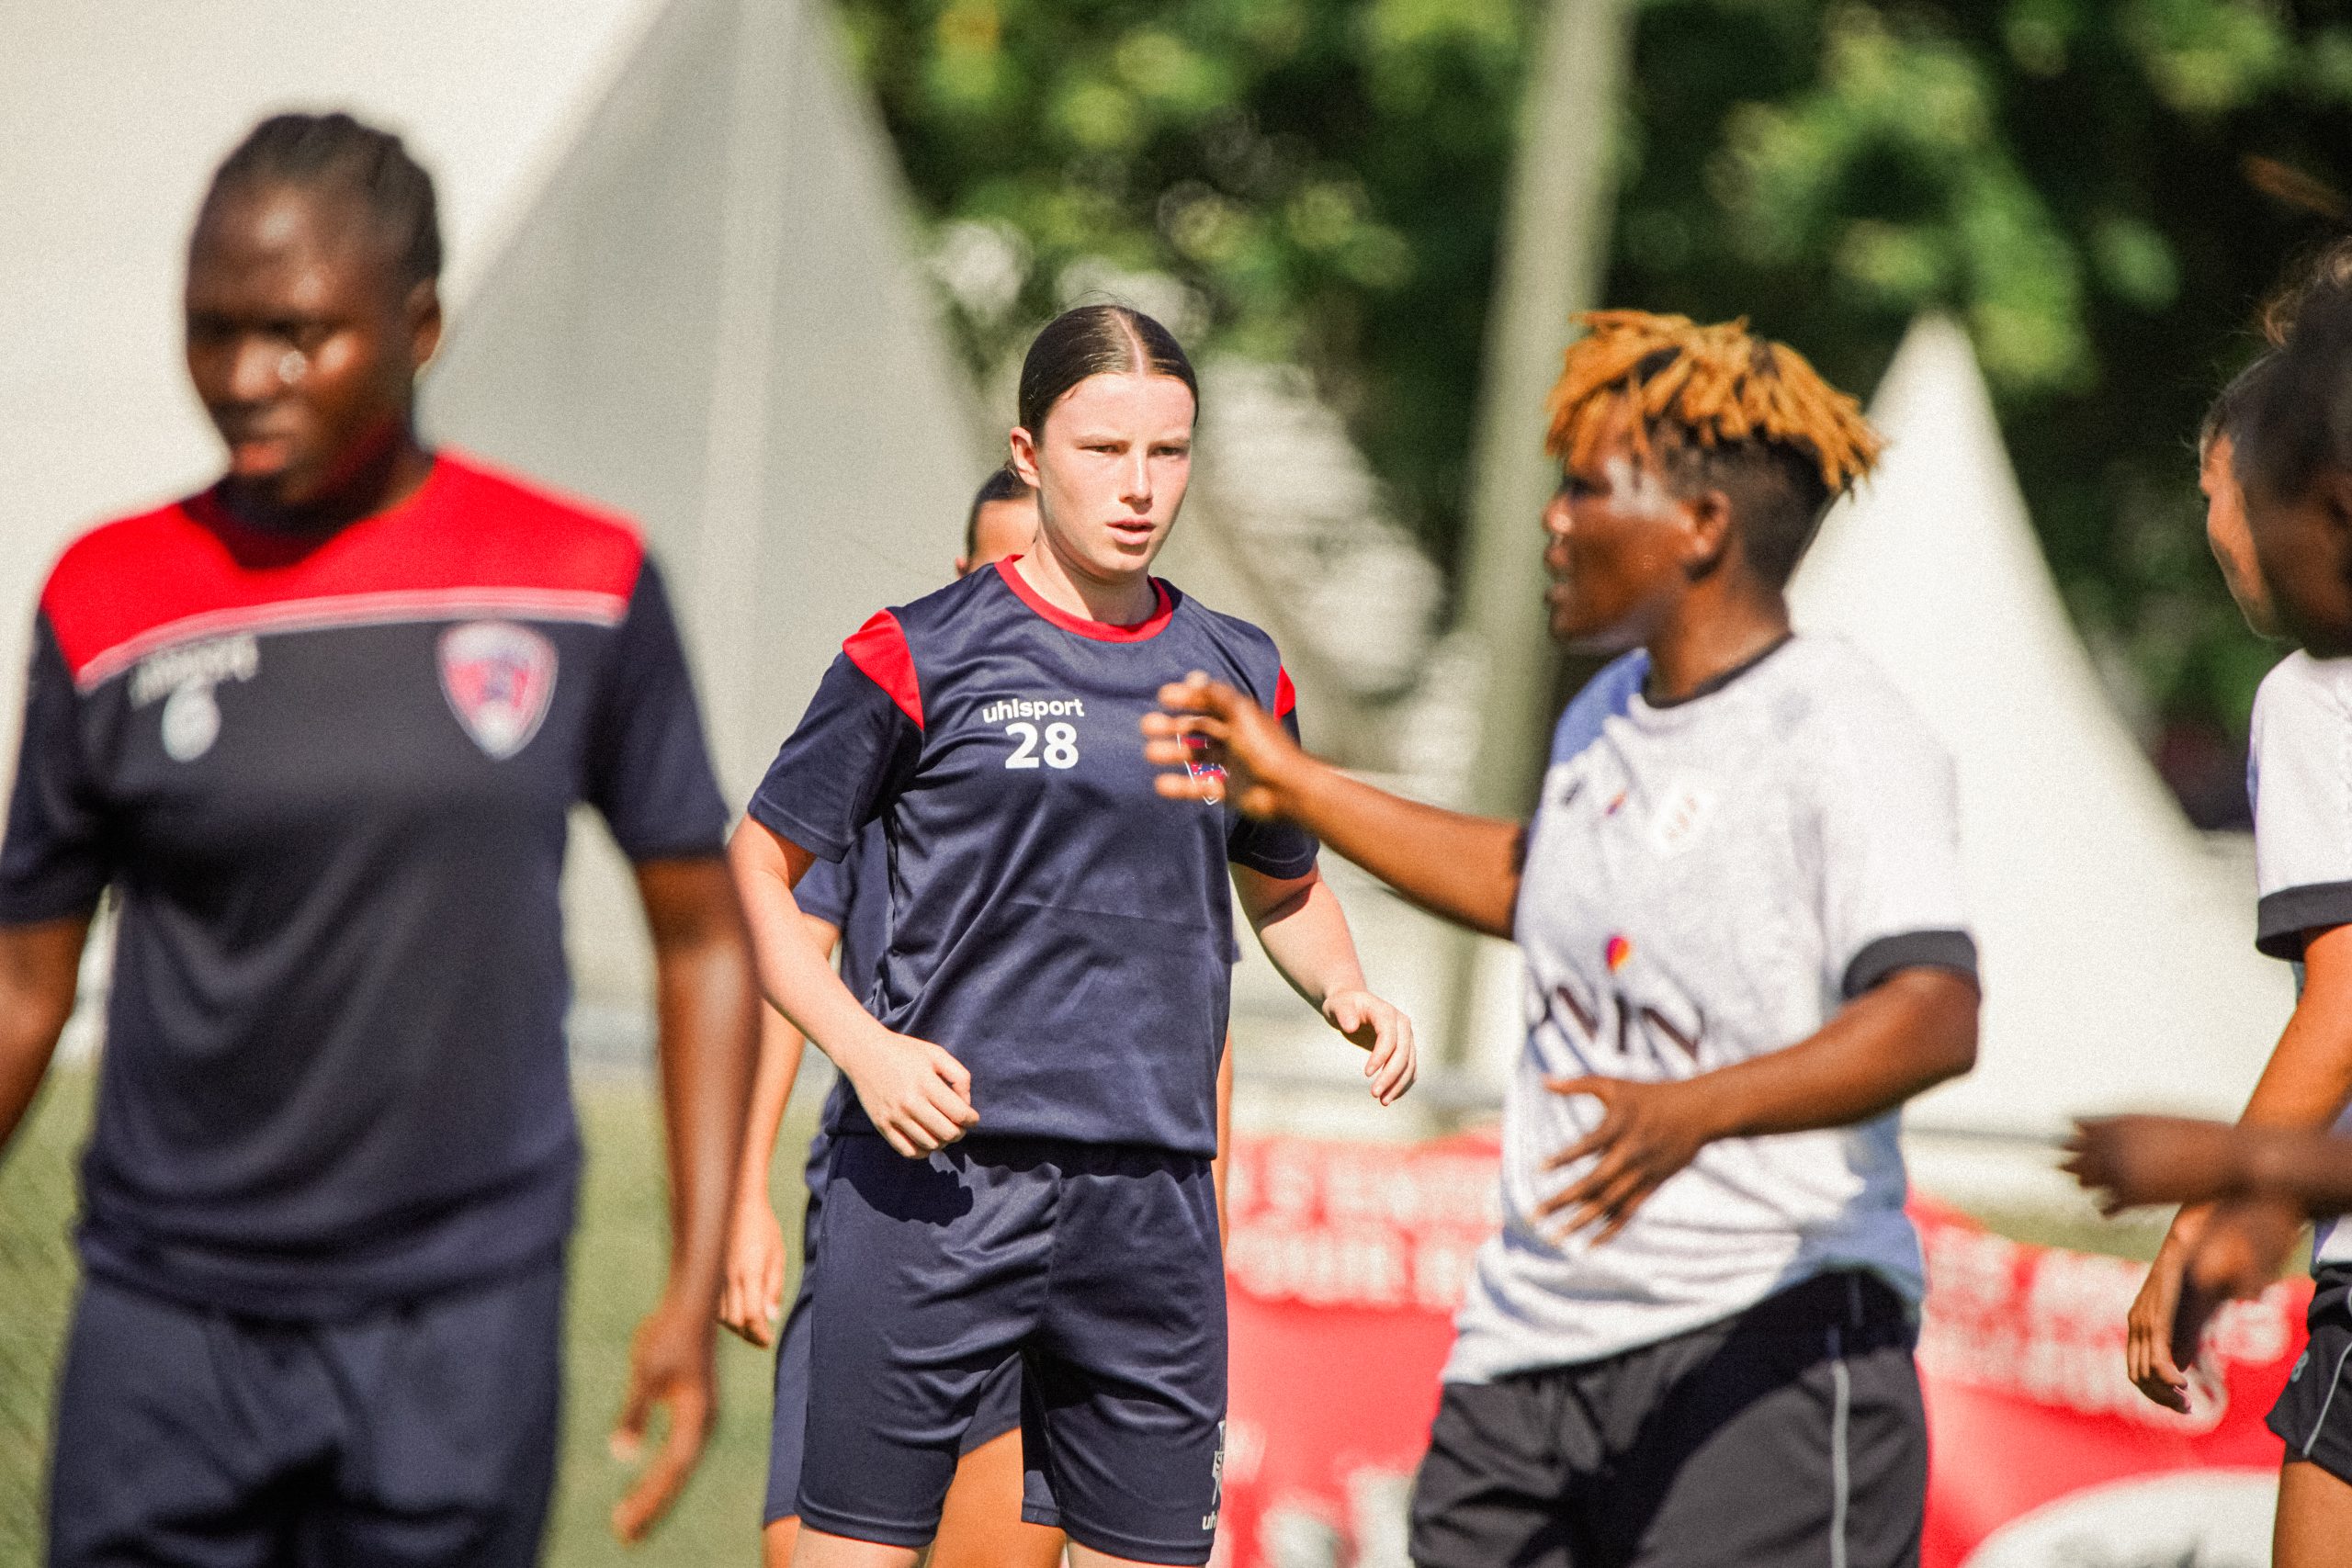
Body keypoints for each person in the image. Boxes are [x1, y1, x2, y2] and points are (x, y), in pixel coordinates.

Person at [0, 113, 758, 1566]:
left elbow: (702, 933)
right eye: (210, 332)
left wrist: (693, 1274)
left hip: (458, 1318)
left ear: (417, 325)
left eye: (297, 336)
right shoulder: (108, 598)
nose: (243, 379)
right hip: (168, 1319)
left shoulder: (581, 585)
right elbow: (25, 977)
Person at [1146, 310, 1982, 1568]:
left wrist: (1700, 1108)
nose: (1555, 515)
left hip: (1766, 1339)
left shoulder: (1840, 729)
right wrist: (1299, 787)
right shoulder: (1605, 711)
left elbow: (1934, 1010)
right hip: (1533, 1345)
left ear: (1702, 526)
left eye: (1588, 486)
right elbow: (1538, 878)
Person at [729, 303, 1416, 1568]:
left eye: (1169, 451)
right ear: (1030, 453)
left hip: (1152, 1209)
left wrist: (1349, 988)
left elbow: (1285, 886)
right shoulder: (916, 653)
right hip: (940, 1190)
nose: (1141, 487)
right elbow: (757, 871)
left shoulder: (1241, 672)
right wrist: (866, 1050)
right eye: (1105, 451)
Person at [2075, 275, 2352, 1567]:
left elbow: (2348, 1006)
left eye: (2211, 503)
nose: (2216, 539)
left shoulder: (2316, 693)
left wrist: (2205, 1219)